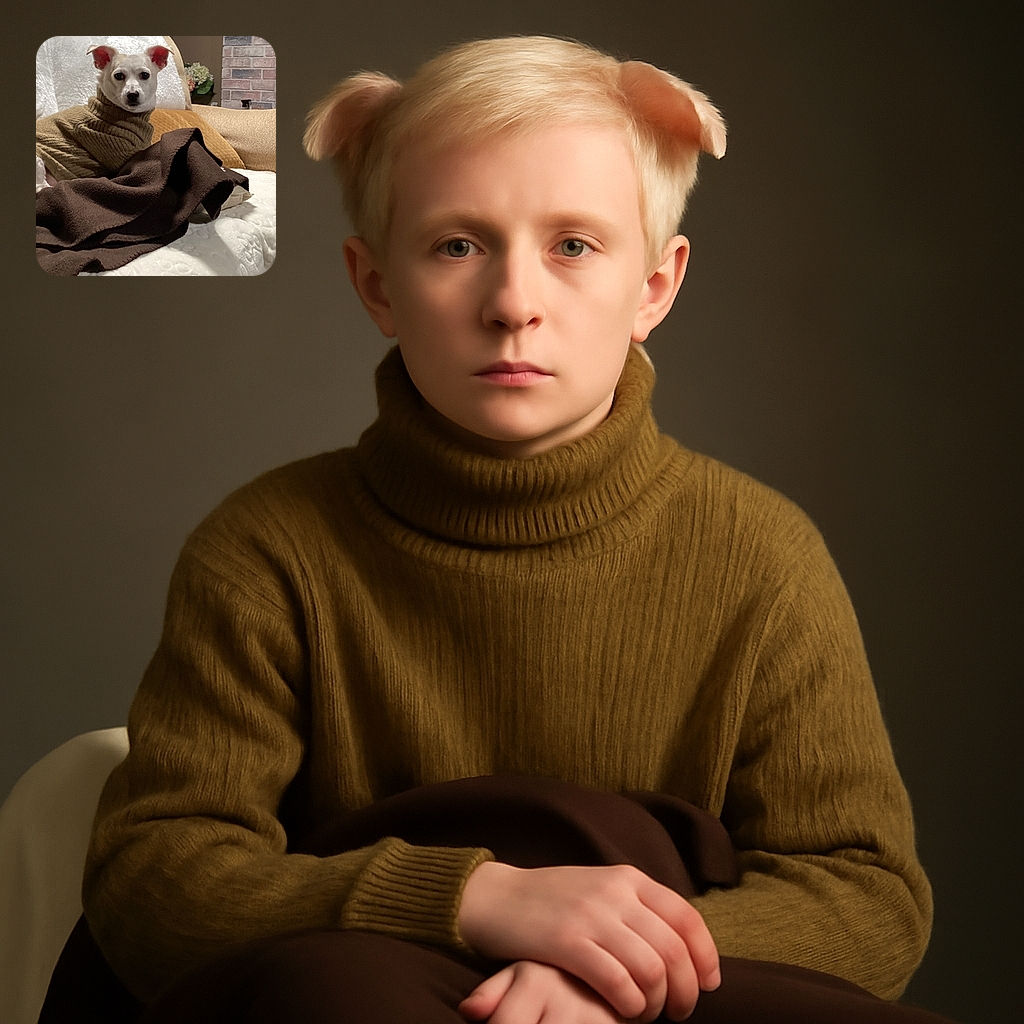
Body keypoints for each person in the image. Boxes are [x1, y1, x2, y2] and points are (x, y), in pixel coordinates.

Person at [68, 35, 937, 1024]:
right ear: (377, 285)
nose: (514, 305)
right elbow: (154, 880)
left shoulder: (762, 559)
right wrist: (480, 900)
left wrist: (604, 968)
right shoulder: (268, 549)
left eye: (573, 245)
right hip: (371, 984)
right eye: (457, 245)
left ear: (653, 285)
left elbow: (867, 897)